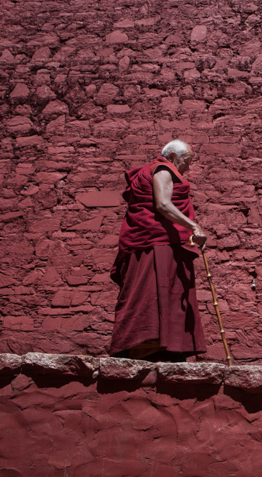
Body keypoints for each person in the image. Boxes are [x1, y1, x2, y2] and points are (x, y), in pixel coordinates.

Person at [109, 139, 208, 361]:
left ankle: (165, 346)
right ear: (172, 157)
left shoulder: (159, 170)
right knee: (152, 291)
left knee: (167, 292)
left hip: (160, 243)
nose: (187, 168)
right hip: (154, 243)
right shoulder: (162, 169)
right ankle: (146, 345)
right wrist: (193, 226)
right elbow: (163, 204)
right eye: (186, 162)